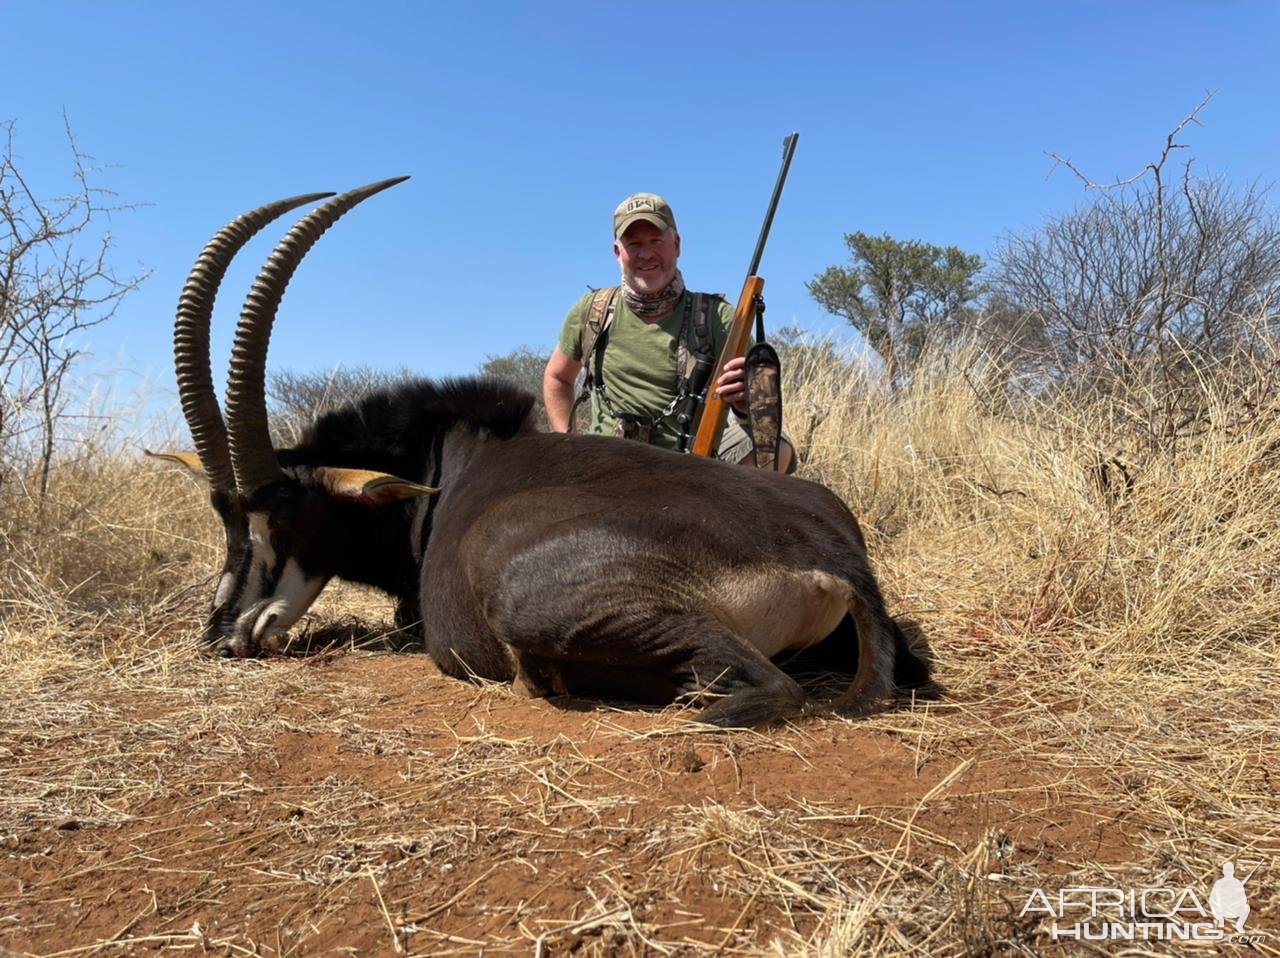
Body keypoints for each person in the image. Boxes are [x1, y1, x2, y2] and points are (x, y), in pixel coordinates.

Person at [543, 192, 794, 471]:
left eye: (656, 241)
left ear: (676, 245)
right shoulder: (593, 311)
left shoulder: (718, 317)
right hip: (605, 467)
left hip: (688, 468)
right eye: (634, 243)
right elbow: (557, 377)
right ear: (618, 253)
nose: (646, 254)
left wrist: (746, 405)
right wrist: (567, 445)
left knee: (779, 449)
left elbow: (759, 411)